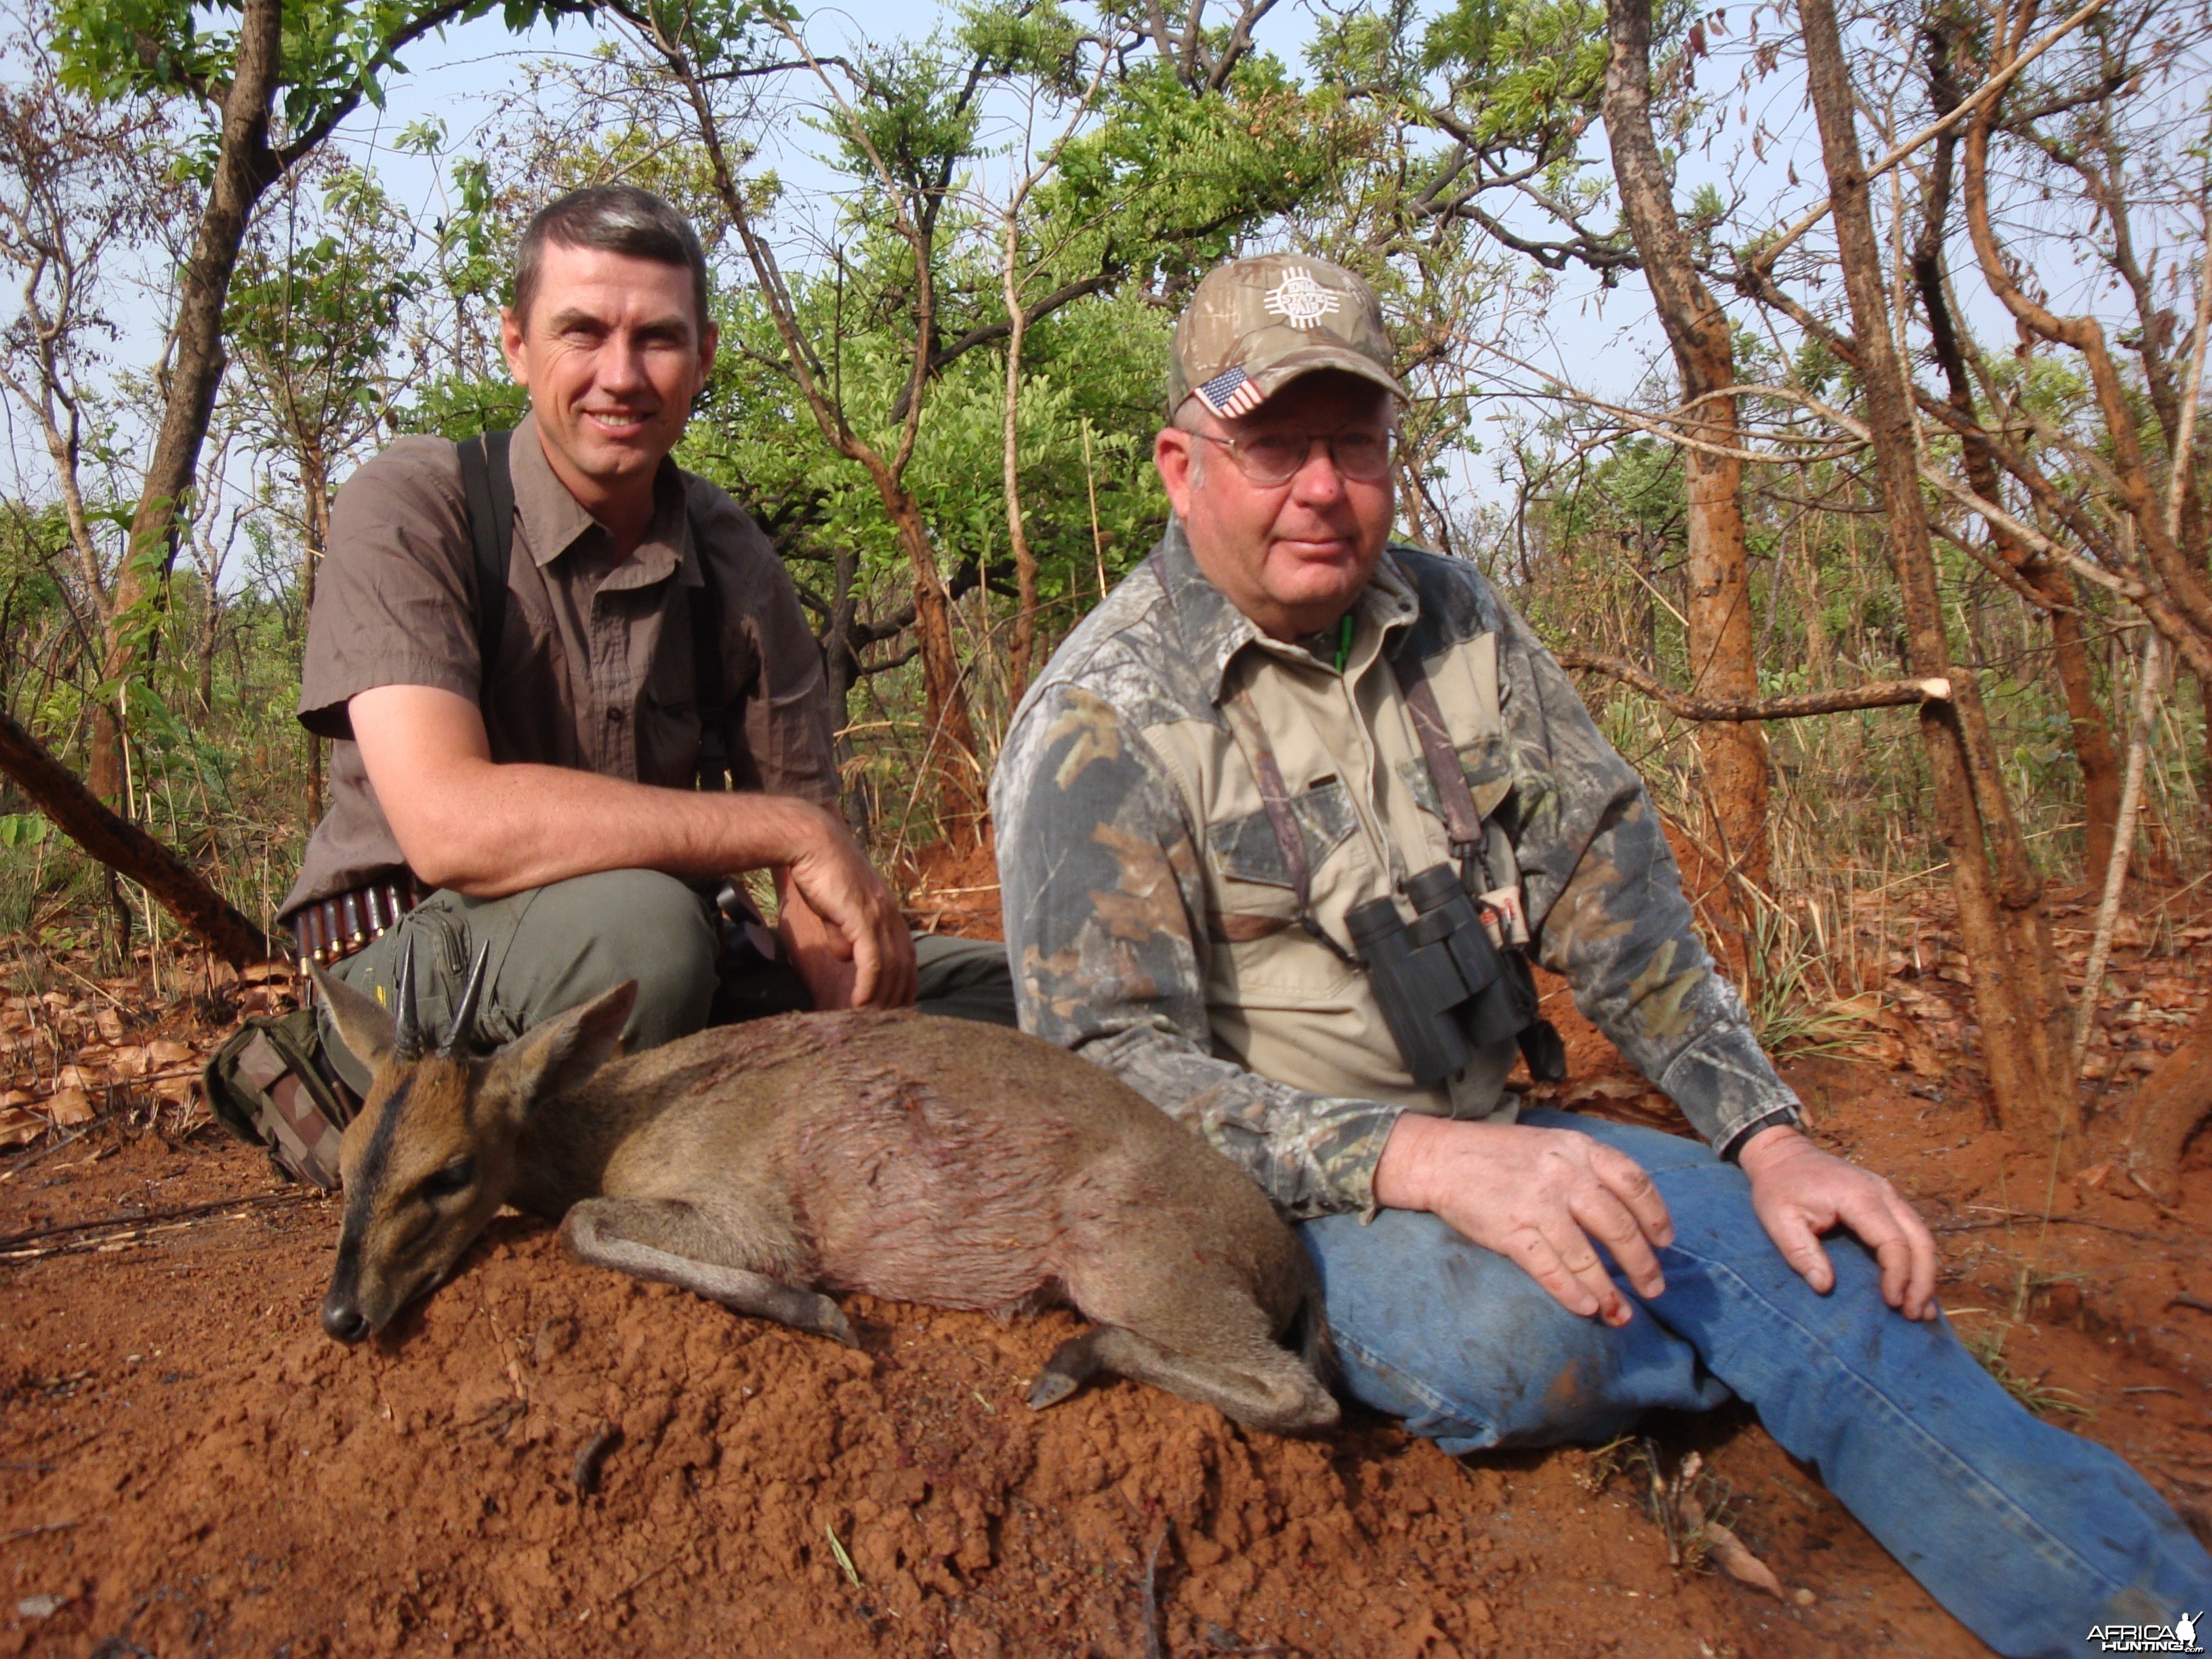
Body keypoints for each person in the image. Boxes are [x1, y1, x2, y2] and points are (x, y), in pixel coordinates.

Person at [991, 252, 2211, 1658]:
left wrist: (1765, 1134)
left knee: (1832, 1267)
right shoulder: (1103, 714)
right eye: (1273, 446)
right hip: (1285, 1217)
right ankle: (1712, 1335)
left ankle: (2147, 1630)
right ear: (1181, 463)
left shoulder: (1456, 620)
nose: (1323, 488)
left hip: (1504, 1127)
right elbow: (1102, 1074)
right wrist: (1427, 1164)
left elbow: (1615, 898)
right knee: (1521, 1346)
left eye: (1358, 443)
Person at [222, 184, 1011, 1185]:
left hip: (651, 981)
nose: (621, 376)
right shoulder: (415, 503)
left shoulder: (731, 557)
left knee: (1015, 1003)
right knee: (646, 933)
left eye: (659, 339)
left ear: (706, 358)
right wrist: (789, 833)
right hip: (425, 973)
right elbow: (449, 826)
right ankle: (492, 1151)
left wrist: (847, 1018)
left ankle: (727, 1127)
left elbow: (813, 894)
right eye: (582, 332)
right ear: (516, 346)